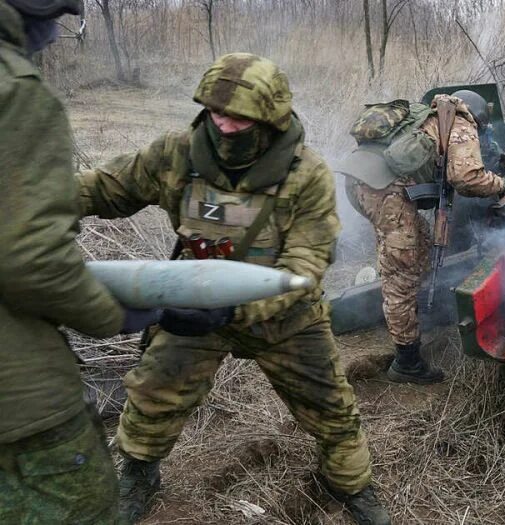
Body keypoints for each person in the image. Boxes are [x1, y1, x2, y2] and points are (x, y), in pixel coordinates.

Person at [76, 53, 390, 525]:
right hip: (193, 304)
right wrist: (38, 203)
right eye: (216, 112)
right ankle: (140, 473)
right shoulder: (176, 154)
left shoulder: (307, 175)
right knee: (153, 394)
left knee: (331, 410)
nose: (224, 126)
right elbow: (106, 188)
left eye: (239, 117)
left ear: (270, 117)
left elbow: (306, 263)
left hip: (286, 317)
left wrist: (230, 311)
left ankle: (348, 484)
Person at [0, 0, 160, 522]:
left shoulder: (297, 169)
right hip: (20, 401)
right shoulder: (16, 90)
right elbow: (30, 258)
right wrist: (113, 314)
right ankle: (140, 470)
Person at [334, 90, 505, 384]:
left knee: (418, 243)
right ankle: (407, 362)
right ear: (477, 117)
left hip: (361, 182)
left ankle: (414, 311)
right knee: (401, 272)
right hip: (382, 191)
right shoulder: (461, 123)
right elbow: (467, 178)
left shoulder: (432, 112)